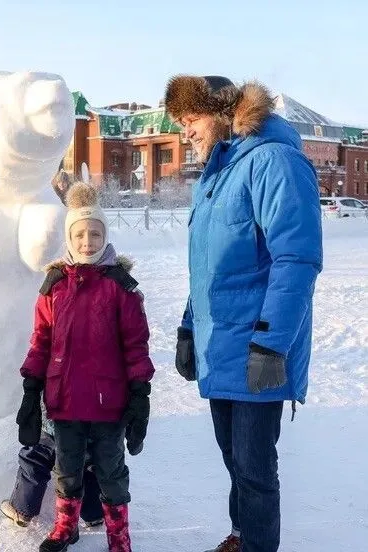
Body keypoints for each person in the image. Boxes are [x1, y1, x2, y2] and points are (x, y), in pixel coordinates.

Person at [165, 75, 323, 552]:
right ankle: (241, 533)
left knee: (254, 470)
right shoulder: (217, 173)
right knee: (235, 460)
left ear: (218, 113)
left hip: (256, 346)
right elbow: (209, 266)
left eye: (190, 121)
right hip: (221, 347)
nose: (186, 133)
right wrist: (190, 328)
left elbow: (296, 259)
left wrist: (271, 342)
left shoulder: (274, 161)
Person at [16, 181, 155, 552]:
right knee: (67, 467)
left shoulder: (121, 288)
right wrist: (31, 385)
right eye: (80, 234)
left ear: (105, 236)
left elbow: (136, 345)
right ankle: (66, 526)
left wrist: (141, 391)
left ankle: (118, 535)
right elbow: (41, 339)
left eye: (95, 233)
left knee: (111, 470)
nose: (88, 241)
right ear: (69, 237)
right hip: (64, 400)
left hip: (109, 401)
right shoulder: (55, 285)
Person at [0, 411, 104, 529]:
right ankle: (94, 513)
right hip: (89, 418)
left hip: (57, 418)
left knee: (36, 458)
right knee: (85, 461)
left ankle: (22, 509)